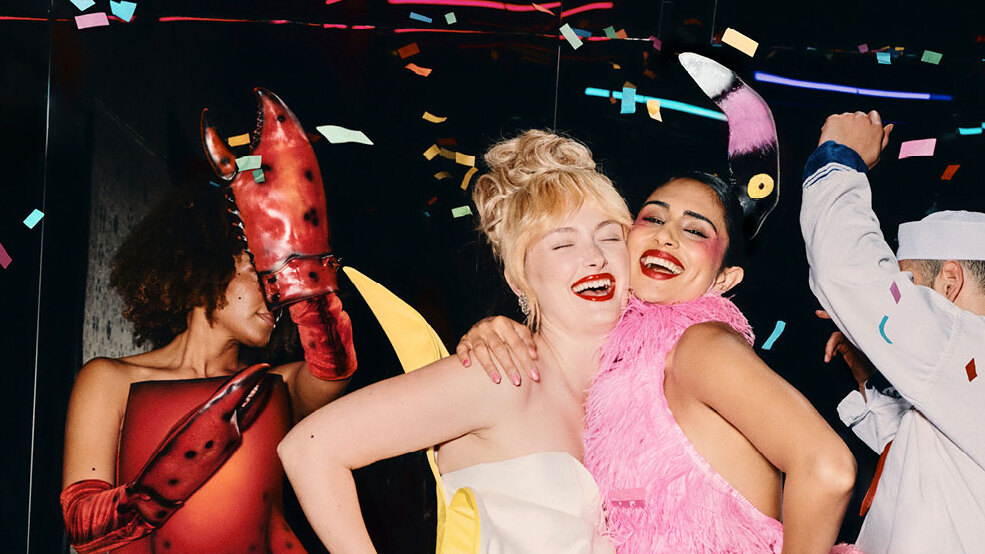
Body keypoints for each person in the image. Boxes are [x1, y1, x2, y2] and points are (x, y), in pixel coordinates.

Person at [458, 172, 860, 553]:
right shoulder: (621, 368)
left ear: (724, 279)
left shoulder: (701, 346)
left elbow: (828, 468)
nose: (666, 236)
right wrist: (499, 331)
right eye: (653, 218)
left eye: (696, 230)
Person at [278, 130, 632, 553]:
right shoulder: (500, 374)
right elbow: (309, 450)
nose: (594, 256)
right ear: (519, 278)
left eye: (610, 236)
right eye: (563, 244)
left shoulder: (641, 395)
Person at [60, 89, 357, 553]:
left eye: (280, 277)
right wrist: (178, 469)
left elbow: (332, 368)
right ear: (206, 264)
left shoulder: (271, 389)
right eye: (261, 272)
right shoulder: (110, 380)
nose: (276, 294)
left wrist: (303, 264)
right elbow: (83, 527)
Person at [802, 110, 985, 553]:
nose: (898, 294)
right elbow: (923, 465)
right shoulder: (963, 373)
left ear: (949, 282)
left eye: (907, 282)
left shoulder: (966, 344)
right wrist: (867, 370)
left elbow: (846, 267)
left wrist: (839, 159)